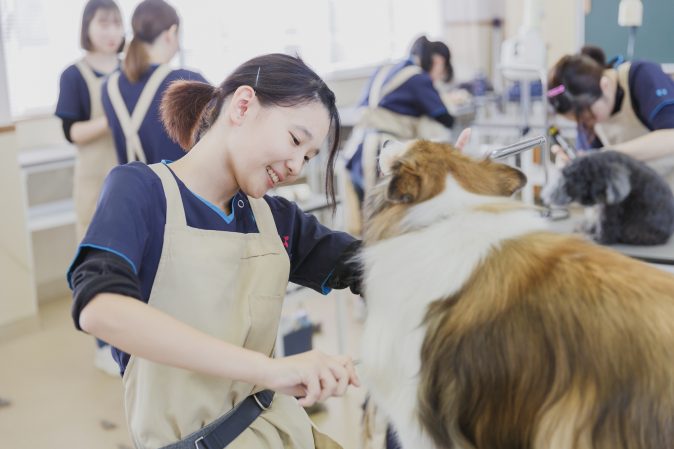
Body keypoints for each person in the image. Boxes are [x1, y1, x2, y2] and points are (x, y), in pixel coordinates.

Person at [67, 53, 362, 449]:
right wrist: (271, 370)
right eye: (295, 140)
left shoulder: (275, 219)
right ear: (242, 105)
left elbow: (368, 264)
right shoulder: (142, 192)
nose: (296, 165)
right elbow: (100, 308)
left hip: (285, 432)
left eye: (308, 157)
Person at [55, 0, 125, 377]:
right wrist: (110, 120)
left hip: (129, 176)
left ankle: (131, 336)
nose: (111, 31)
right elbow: (72, 132)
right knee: (97, 260)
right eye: (103, 24)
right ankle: (103, 345)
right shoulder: (74, 75)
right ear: (88, 28)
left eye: (117, 24)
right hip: (93, 180)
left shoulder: (130, 70)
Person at [344, 35, 456, 205]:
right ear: (438, 61)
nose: (437, 79)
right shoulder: (418, 78)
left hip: (355, 150)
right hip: (380, 154)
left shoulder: (387, 68)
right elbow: (445, 118)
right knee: (385, 216)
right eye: (441, 72)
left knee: (367, 220)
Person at [101, 0, 208, 165]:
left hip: (131, 190)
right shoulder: (188, 81)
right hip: (180, 190)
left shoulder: (109, 86)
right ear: (171, 33)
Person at [547, 49, 674, 185]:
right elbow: (590, 158)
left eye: (589, 116)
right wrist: (573, 165)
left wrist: (608, 155)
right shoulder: (588, 111)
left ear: (604, 85)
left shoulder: (642, 75)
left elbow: (670, 136)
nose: (586, 123)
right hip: (636, 196)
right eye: (579, 121)